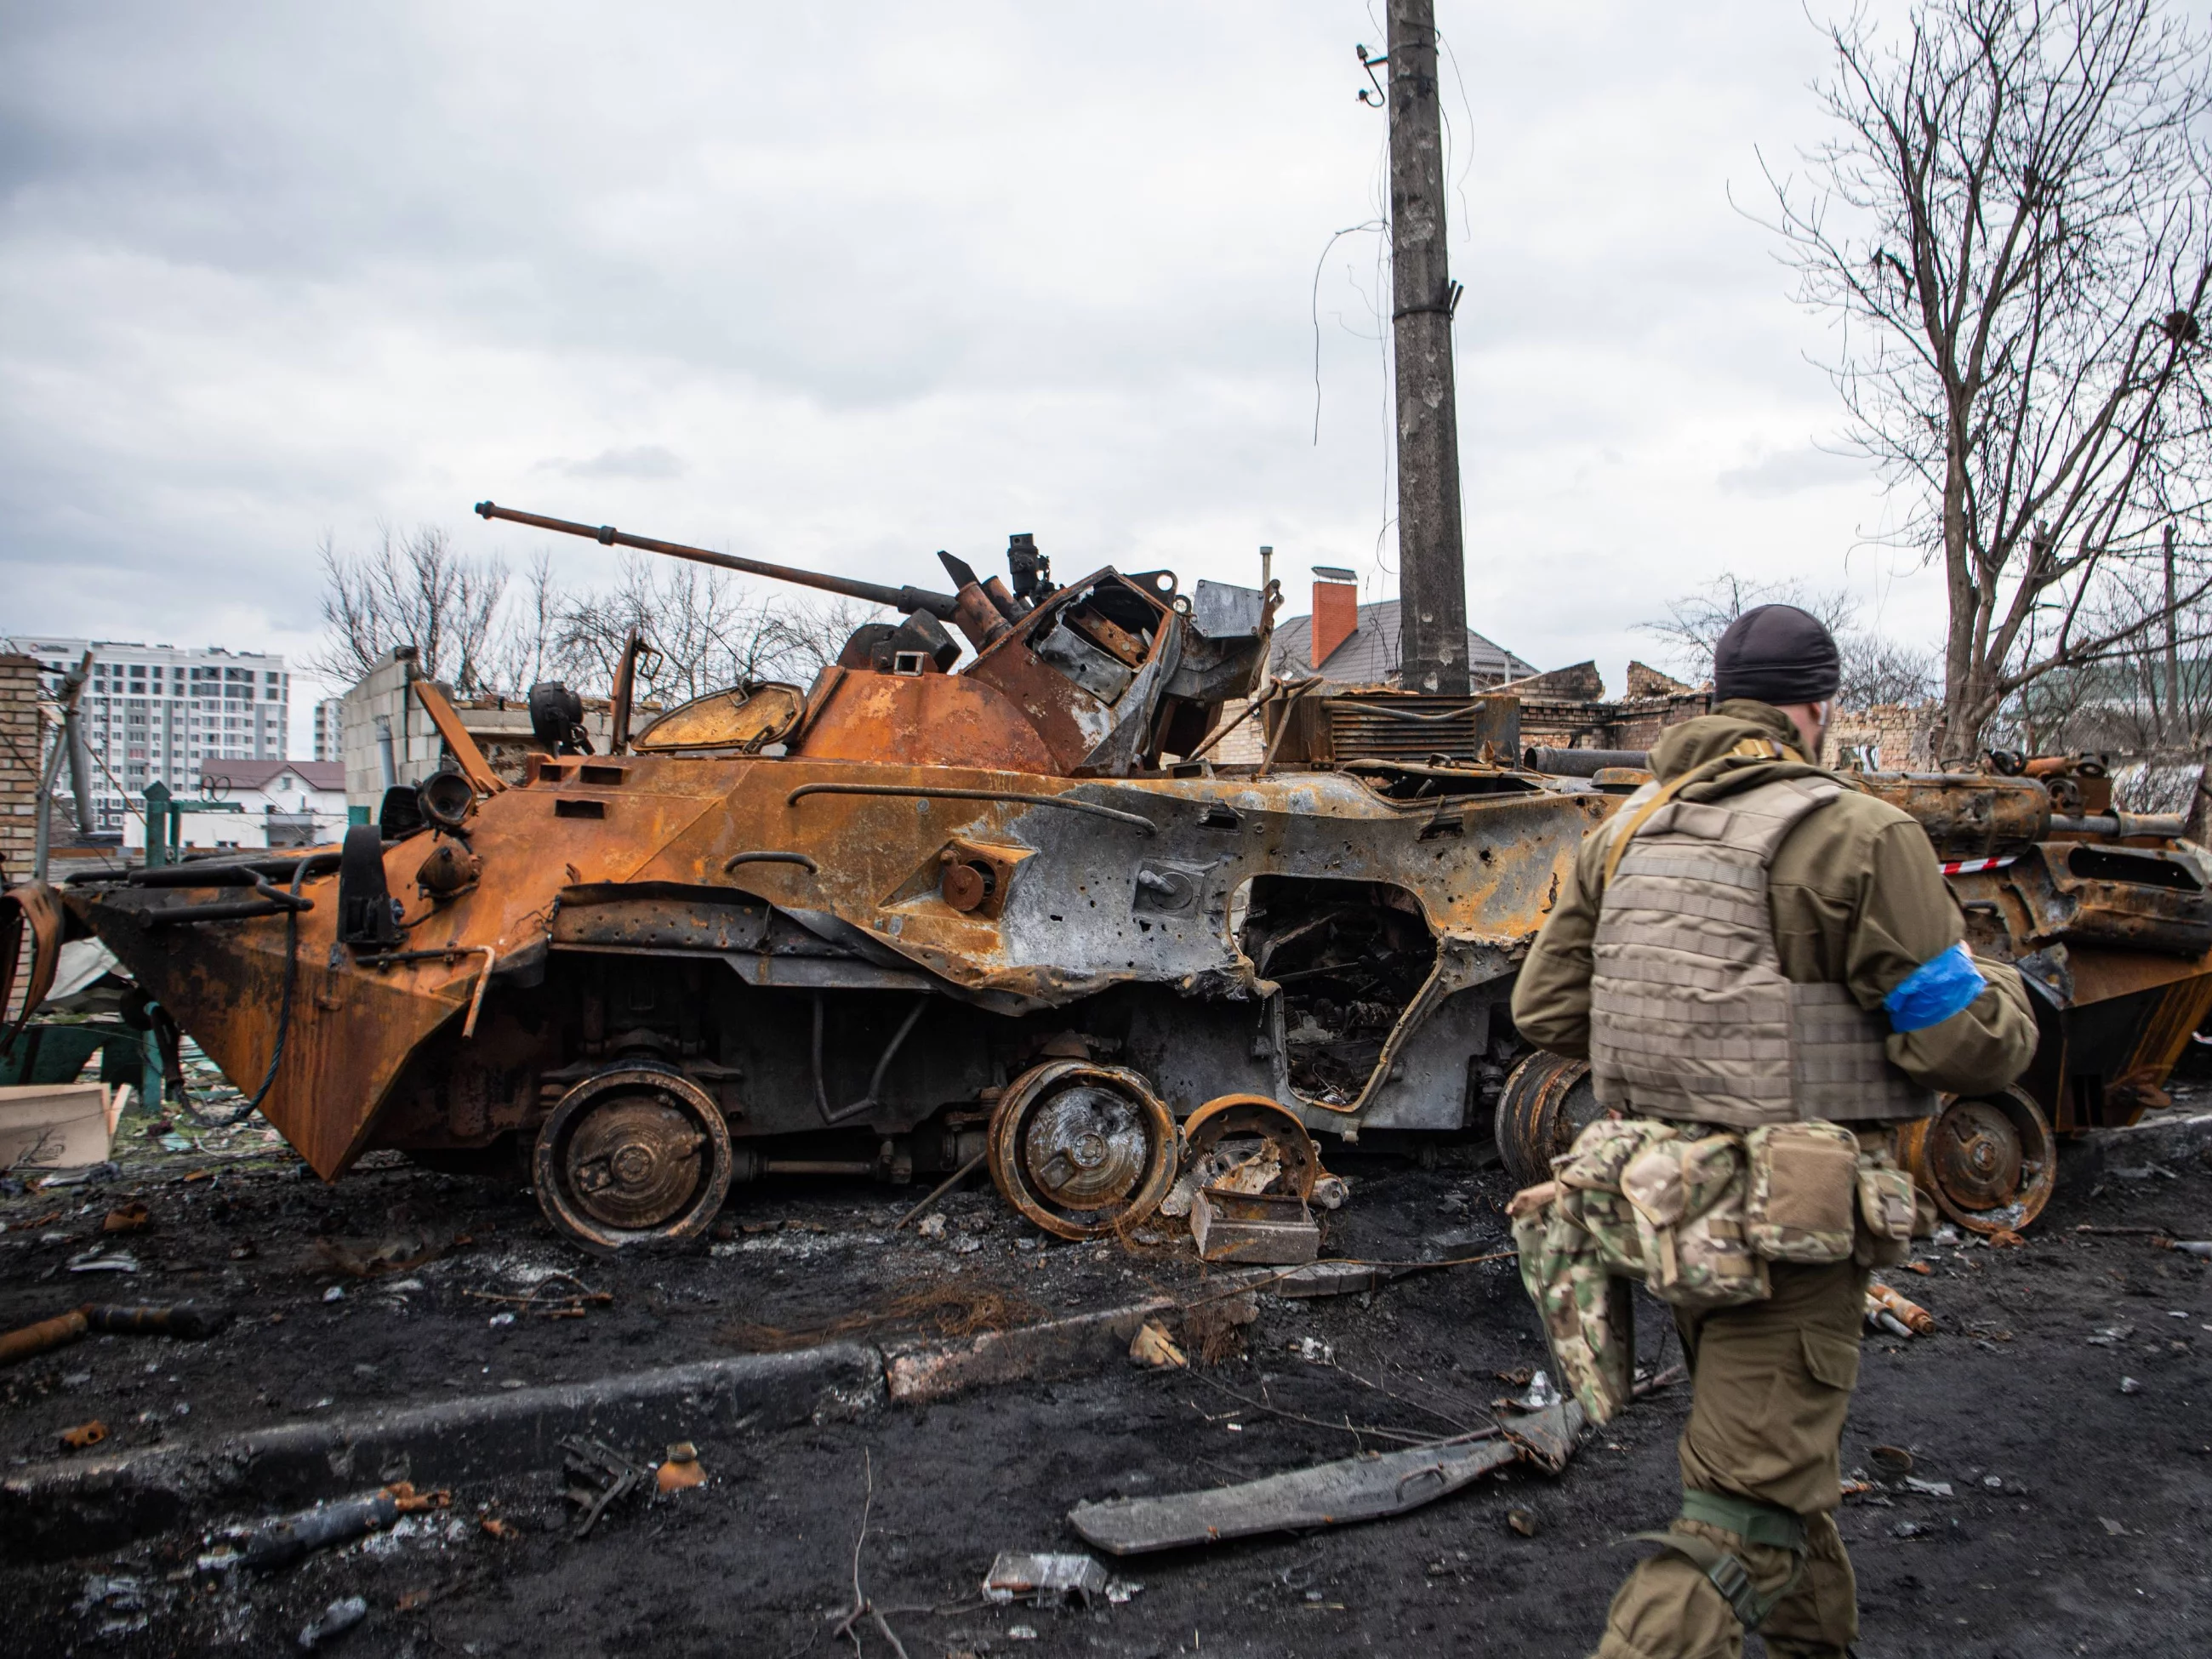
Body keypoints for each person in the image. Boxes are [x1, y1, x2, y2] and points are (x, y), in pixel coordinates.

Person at [1509, 603, 2037, 1659]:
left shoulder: (1627, 827)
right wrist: (2006, 997)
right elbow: (1959, 1045)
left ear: (1716, 702)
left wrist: (1690, 1031)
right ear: (1818, 710)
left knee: (1781, 1474)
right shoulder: (1859, 831)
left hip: (1668, 1209)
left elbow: (1546, 1013)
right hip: (1788, 1229)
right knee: (1743, 1518)